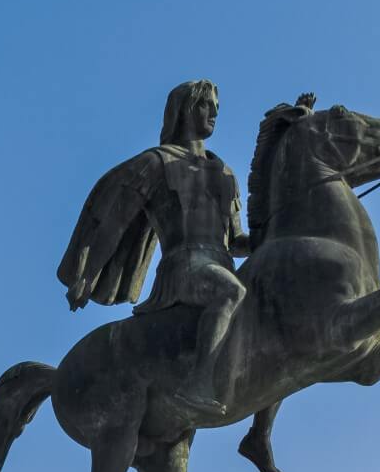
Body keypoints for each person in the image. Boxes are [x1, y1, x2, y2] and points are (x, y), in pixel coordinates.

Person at [57, 79, 252, 419]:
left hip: (220, 263)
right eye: (207, 105)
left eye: (217, 108)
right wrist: (87, 276)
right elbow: (116, 224)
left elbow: (236, 242)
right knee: (231, 291)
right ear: (186, 109)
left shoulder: (225, 172)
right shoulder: (155, 164)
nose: (214, 113)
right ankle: (198, 385)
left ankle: (259, 434)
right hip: (184, 269)